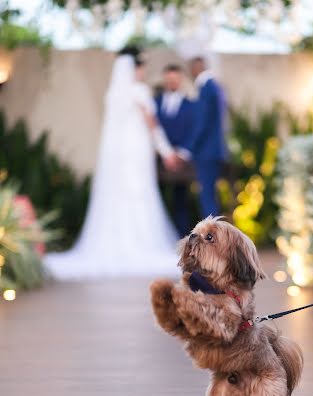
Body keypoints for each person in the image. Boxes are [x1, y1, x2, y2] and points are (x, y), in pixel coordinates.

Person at [45, 46, 179, 279]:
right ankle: (140, 243)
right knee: (138, 193)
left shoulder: (114, 93)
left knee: (121, 195)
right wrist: (166, 151)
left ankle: (116, 243)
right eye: (142, 67)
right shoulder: (139, 91)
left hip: (119, 154)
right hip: (136, 151)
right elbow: (151, 123)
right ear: (136, 68)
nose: (143, 72)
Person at [179, 57, 227, 218]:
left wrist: (187, 149)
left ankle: (212, 240)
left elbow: (202, 123)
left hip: (206, 152)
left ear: (197, 67)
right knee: (210, 195)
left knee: (207, 197)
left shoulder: (206, 87)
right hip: (213, 151)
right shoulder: (215, 86)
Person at [155, 64, 194, 237]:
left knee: (182, 201)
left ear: (180, 80)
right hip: (157, 160)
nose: (172, 82)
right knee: (158, 201)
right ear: (165, 79)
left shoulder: (190, 105)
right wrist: (164, 153)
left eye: (175, 79)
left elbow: (194, 131)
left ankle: (181, 239)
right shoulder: (154, 103)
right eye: (169, 79)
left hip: (182, 161)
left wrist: (181, 153)